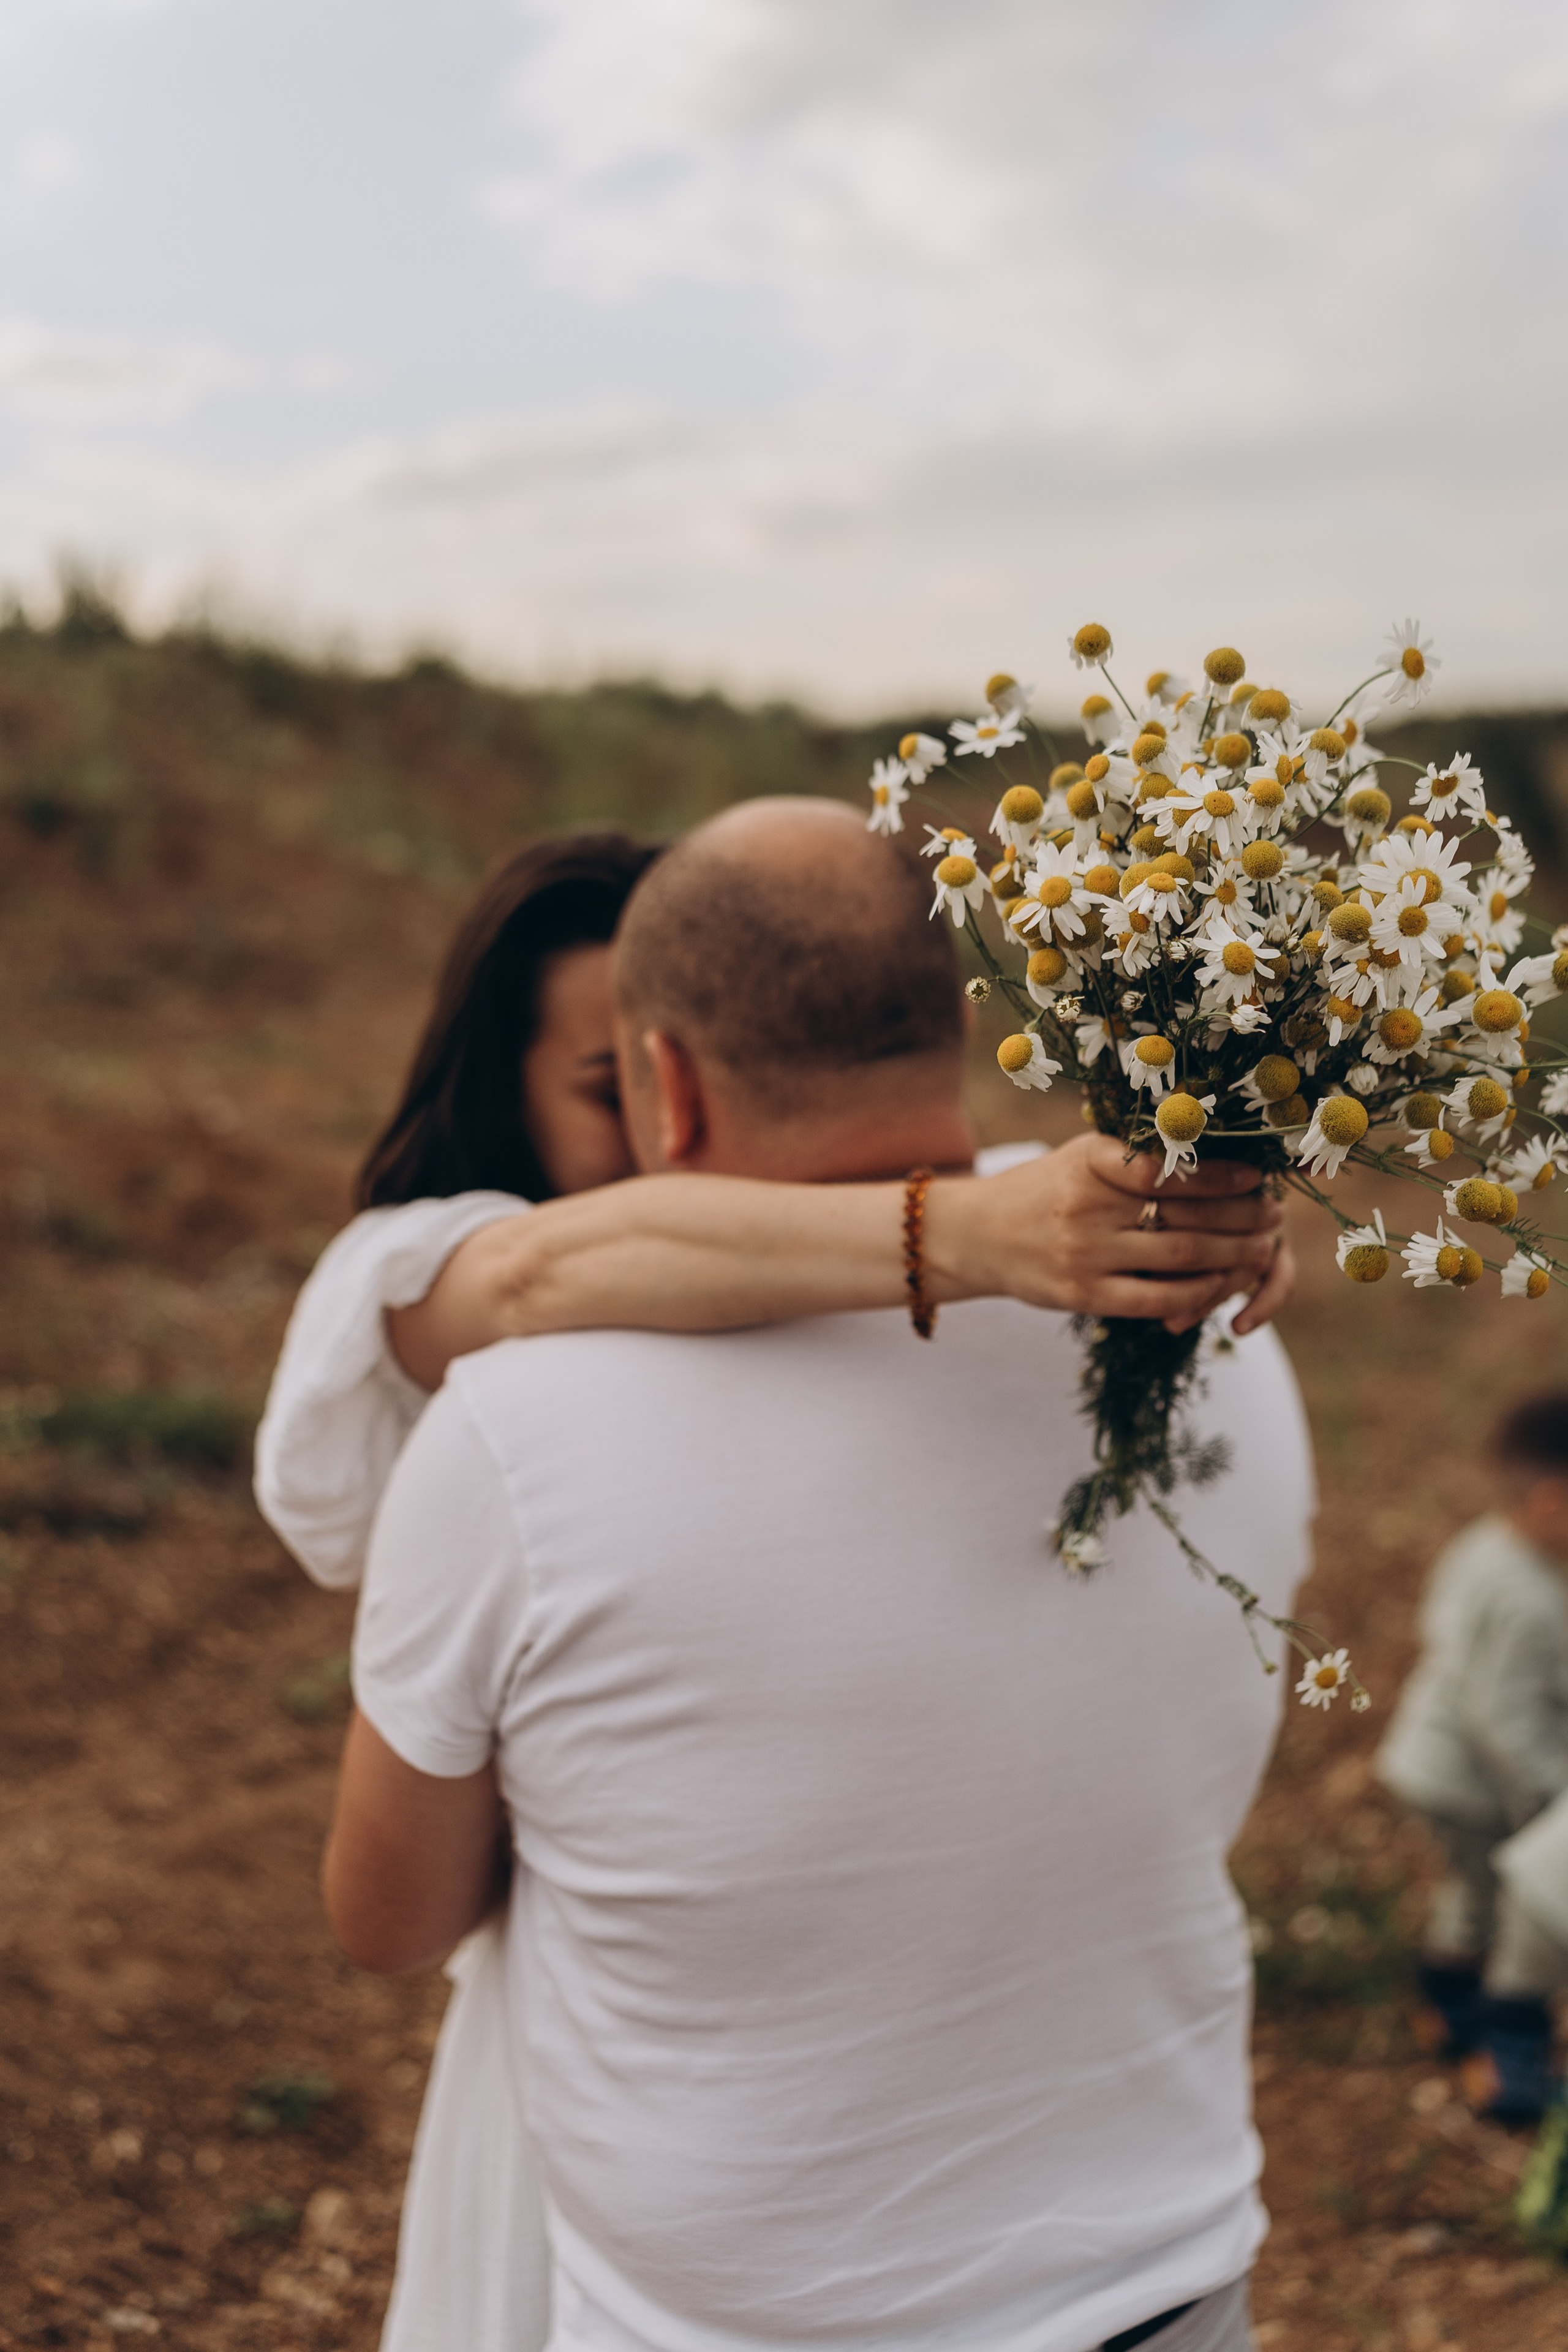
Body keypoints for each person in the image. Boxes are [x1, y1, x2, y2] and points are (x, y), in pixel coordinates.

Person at [256, 824, 1293, 2352]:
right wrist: (972, 1228)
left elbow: (391, 1902)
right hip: (1141, 2239)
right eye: (585, 1086)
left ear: (675, 1075)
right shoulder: (458, 1295)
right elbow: (550, 1276)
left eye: (631, 1081)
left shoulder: (534, 1440)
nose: (630, 1140)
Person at [1376, 1392, 1568, 2117]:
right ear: (1552, 1504)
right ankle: (1490, 2043)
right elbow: (1505, 1723)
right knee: (1498, 1896)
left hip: (1430, 1760)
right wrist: (1546, 1808)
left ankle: (1443, 2007)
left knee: (1466, 1889)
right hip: (1470, 1783)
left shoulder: (1484, 1546)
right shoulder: (1527, 1600)